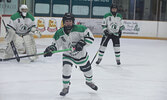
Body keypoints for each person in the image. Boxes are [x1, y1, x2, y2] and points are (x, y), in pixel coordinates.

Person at [44, 13, 98, 96]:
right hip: (68, 55)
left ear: (73, 22)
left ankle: (89, 82)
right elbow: (55, 44)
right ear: (63, 22)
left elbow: (91, 38)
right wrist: (51, 49)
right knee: (66, 69)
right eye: (66, 21)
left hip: (81, 55)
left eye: (70, 21)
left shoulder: (81, 28)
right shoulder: (59, 33)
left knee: (88, 72)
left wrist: (82, 43)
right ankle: (65, 87)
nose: (68, 23)